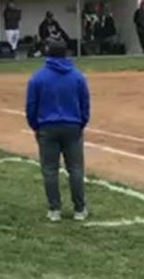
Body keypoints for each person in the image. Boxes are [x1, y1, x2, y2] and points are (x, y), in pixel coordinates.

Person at [25, 37, 91, 222]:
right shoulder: (77, 76)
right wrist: (81, 123)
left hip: (47, 127)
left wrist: (36, 126)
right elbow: (85, 104)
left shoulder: (38, 77)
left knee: (50, 170)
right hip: (72, 126)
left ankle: (55, 210)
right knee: (76, 169)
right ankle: (79, 209)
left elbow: (31, 106)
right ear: (66, 53)